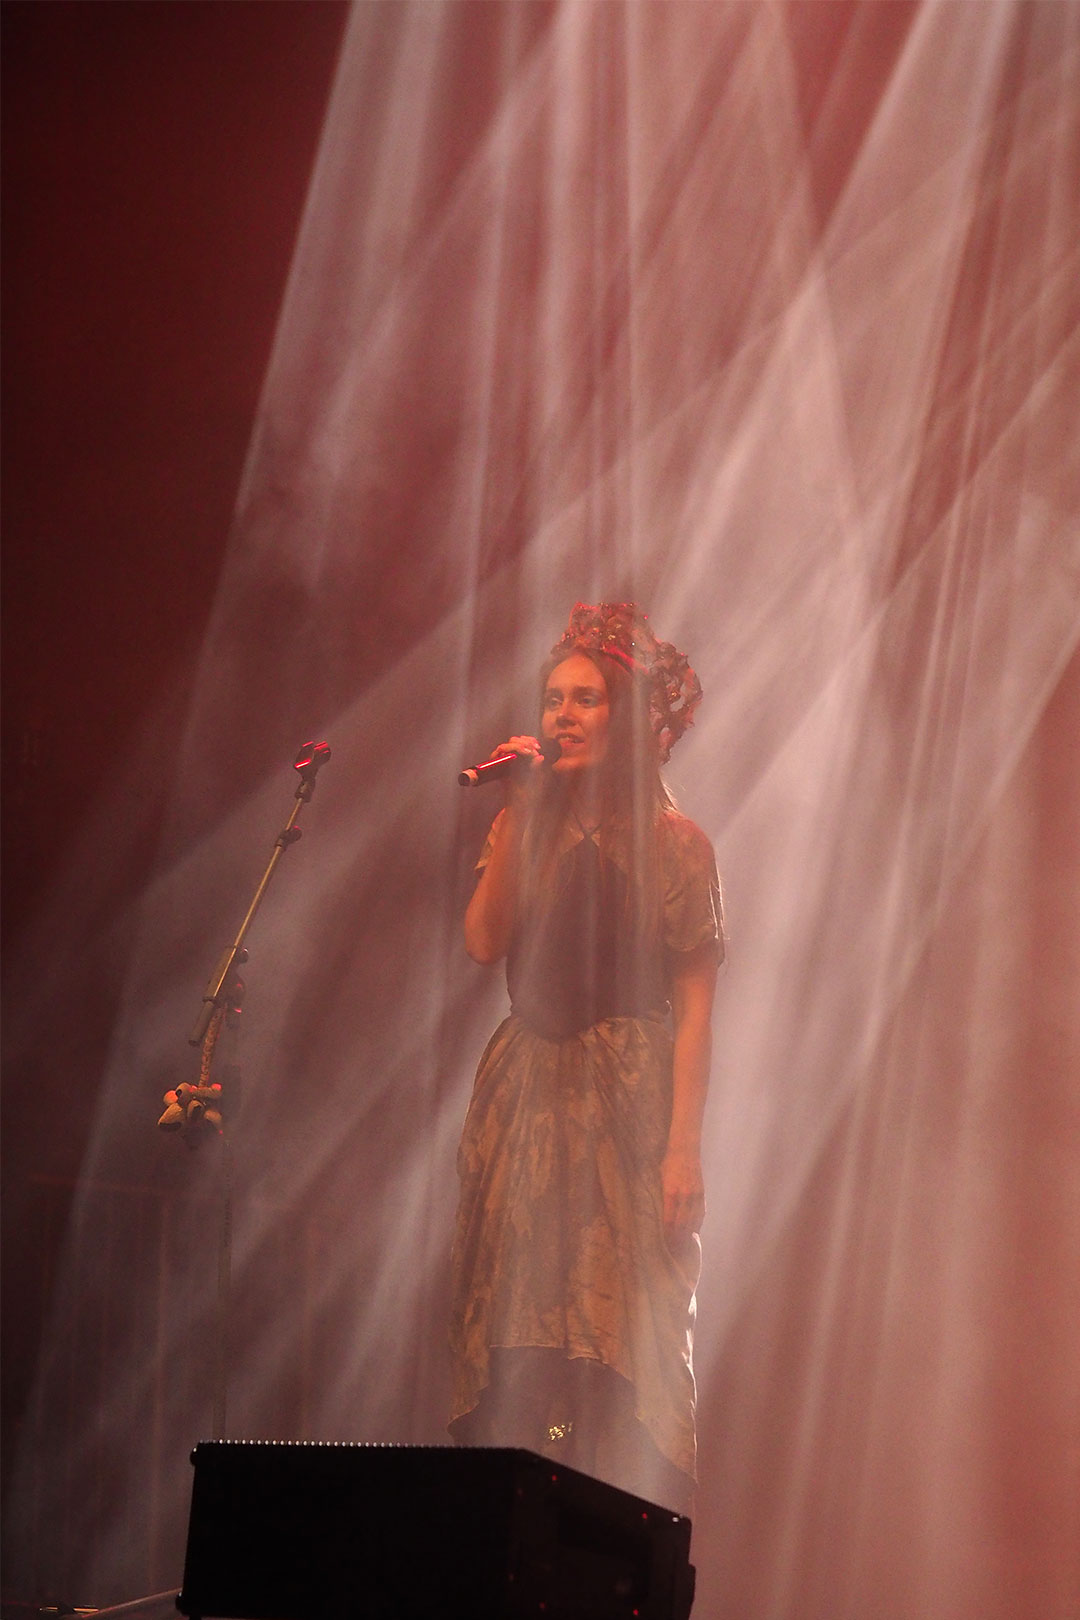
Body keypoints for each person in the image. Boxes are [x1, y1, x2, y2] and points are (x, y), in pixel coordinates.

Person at [448, 602, 722, 1513]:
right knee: (523, 1334)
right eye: (553, 699)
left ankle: (608, 1553)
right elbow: (485, 944)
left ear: (629, 718)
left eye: (585, 699)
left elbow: (695, 1008)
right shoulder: (526, 820)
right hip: (526, 1089)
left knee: (614, 1333)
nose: (562, 715)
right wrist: (520, 815)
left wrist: (684, 1146)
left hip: (629, 1094)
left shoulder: (679, 846)